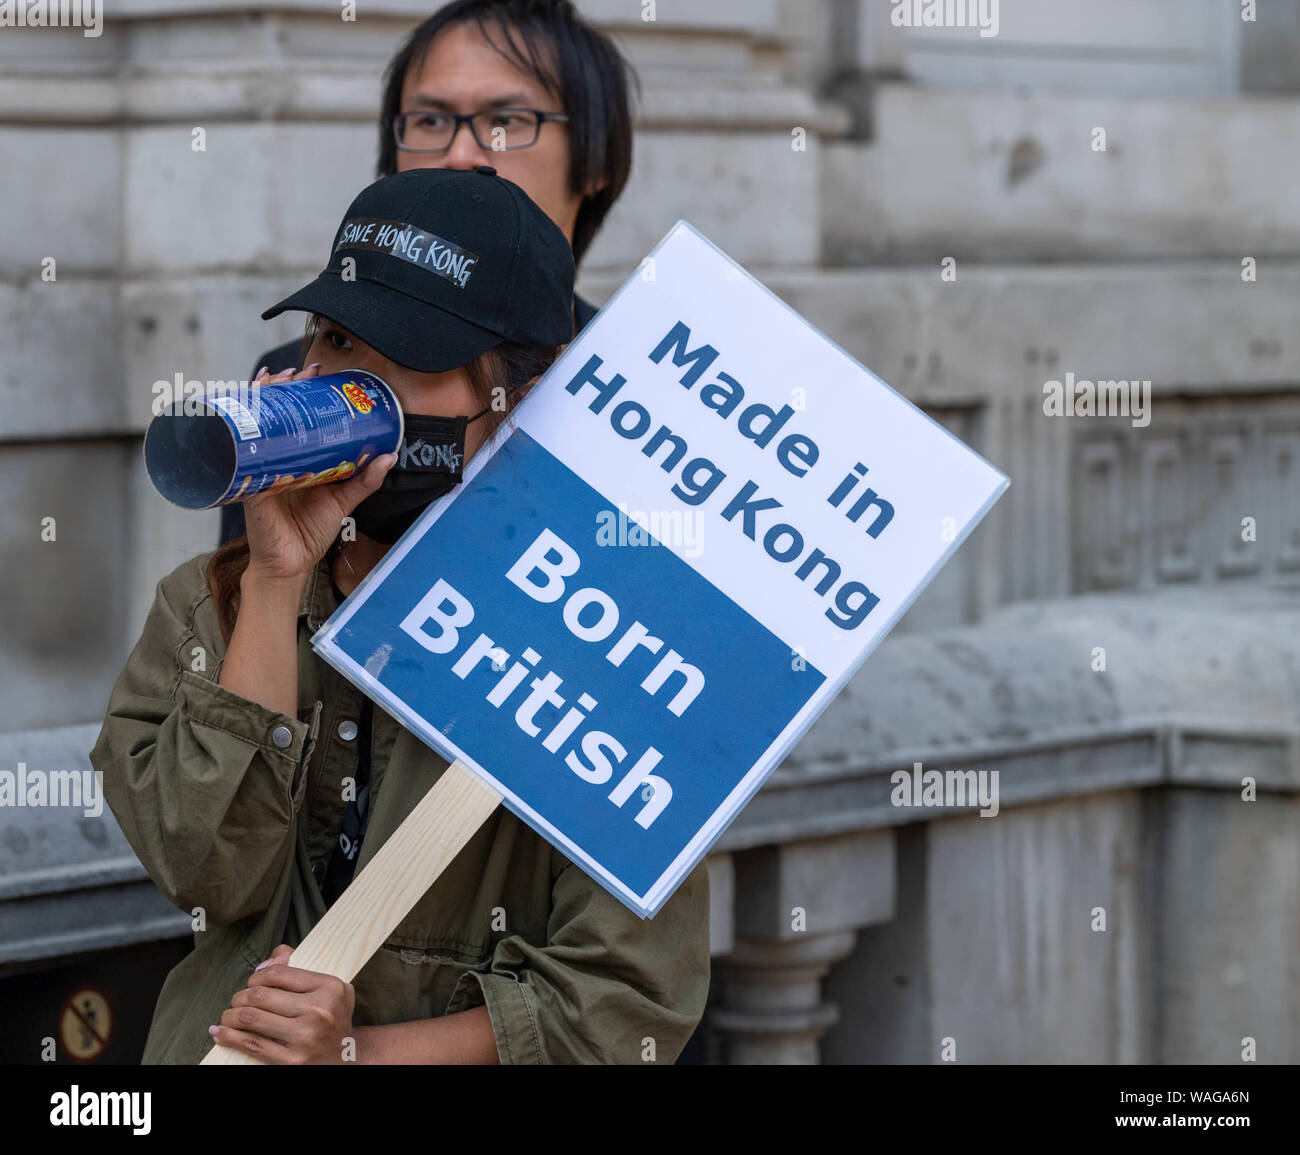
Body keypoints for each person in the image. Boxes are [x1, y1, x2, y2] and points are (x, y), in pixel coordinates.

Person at [91, 166, 711, 1065]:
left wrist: (355, 1053)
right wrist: (273, 582)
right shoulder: (210, 602)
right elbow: (210, 874)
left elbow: (624, 1002)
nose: (345, 388)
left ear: (521, 406)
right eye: (336, 338)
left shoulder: (612, 653)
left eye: (406, 357)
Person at [221, 0, 635, 545]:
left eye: (507, 121)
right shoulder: (299, 382)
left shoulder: (642, 406)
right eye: (431, 120)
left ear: (597, 159)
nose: (461, 154)